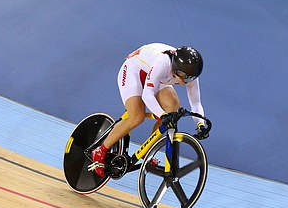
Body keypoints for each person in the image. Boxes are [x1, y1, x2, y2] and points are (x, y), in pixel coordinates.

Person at [89, 43, 210, 177]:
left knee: (173, 109)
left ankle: (147, 149)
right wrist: (162, 115)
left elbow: (196, 103)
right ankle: (100, 150)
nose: (186, 81)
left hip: (156, 78)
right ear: (176, 68)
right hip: (134, 72)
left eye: (190, 78)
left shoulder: (189, 76)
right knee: (137, 116)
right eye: (184, 76)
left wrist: (200, 124)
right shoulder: (163, 63)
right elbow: (147, 94)